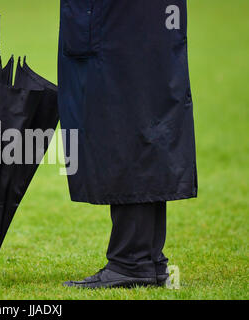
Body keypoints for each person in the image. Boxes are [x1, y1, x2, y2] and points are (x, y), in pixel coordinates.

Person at [58, 0, 197, 288]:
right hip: (148, 20)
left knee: (124, 120)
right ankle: (145, 258)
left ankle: (132, 260)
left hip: (118, 22)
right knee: (145, 115)